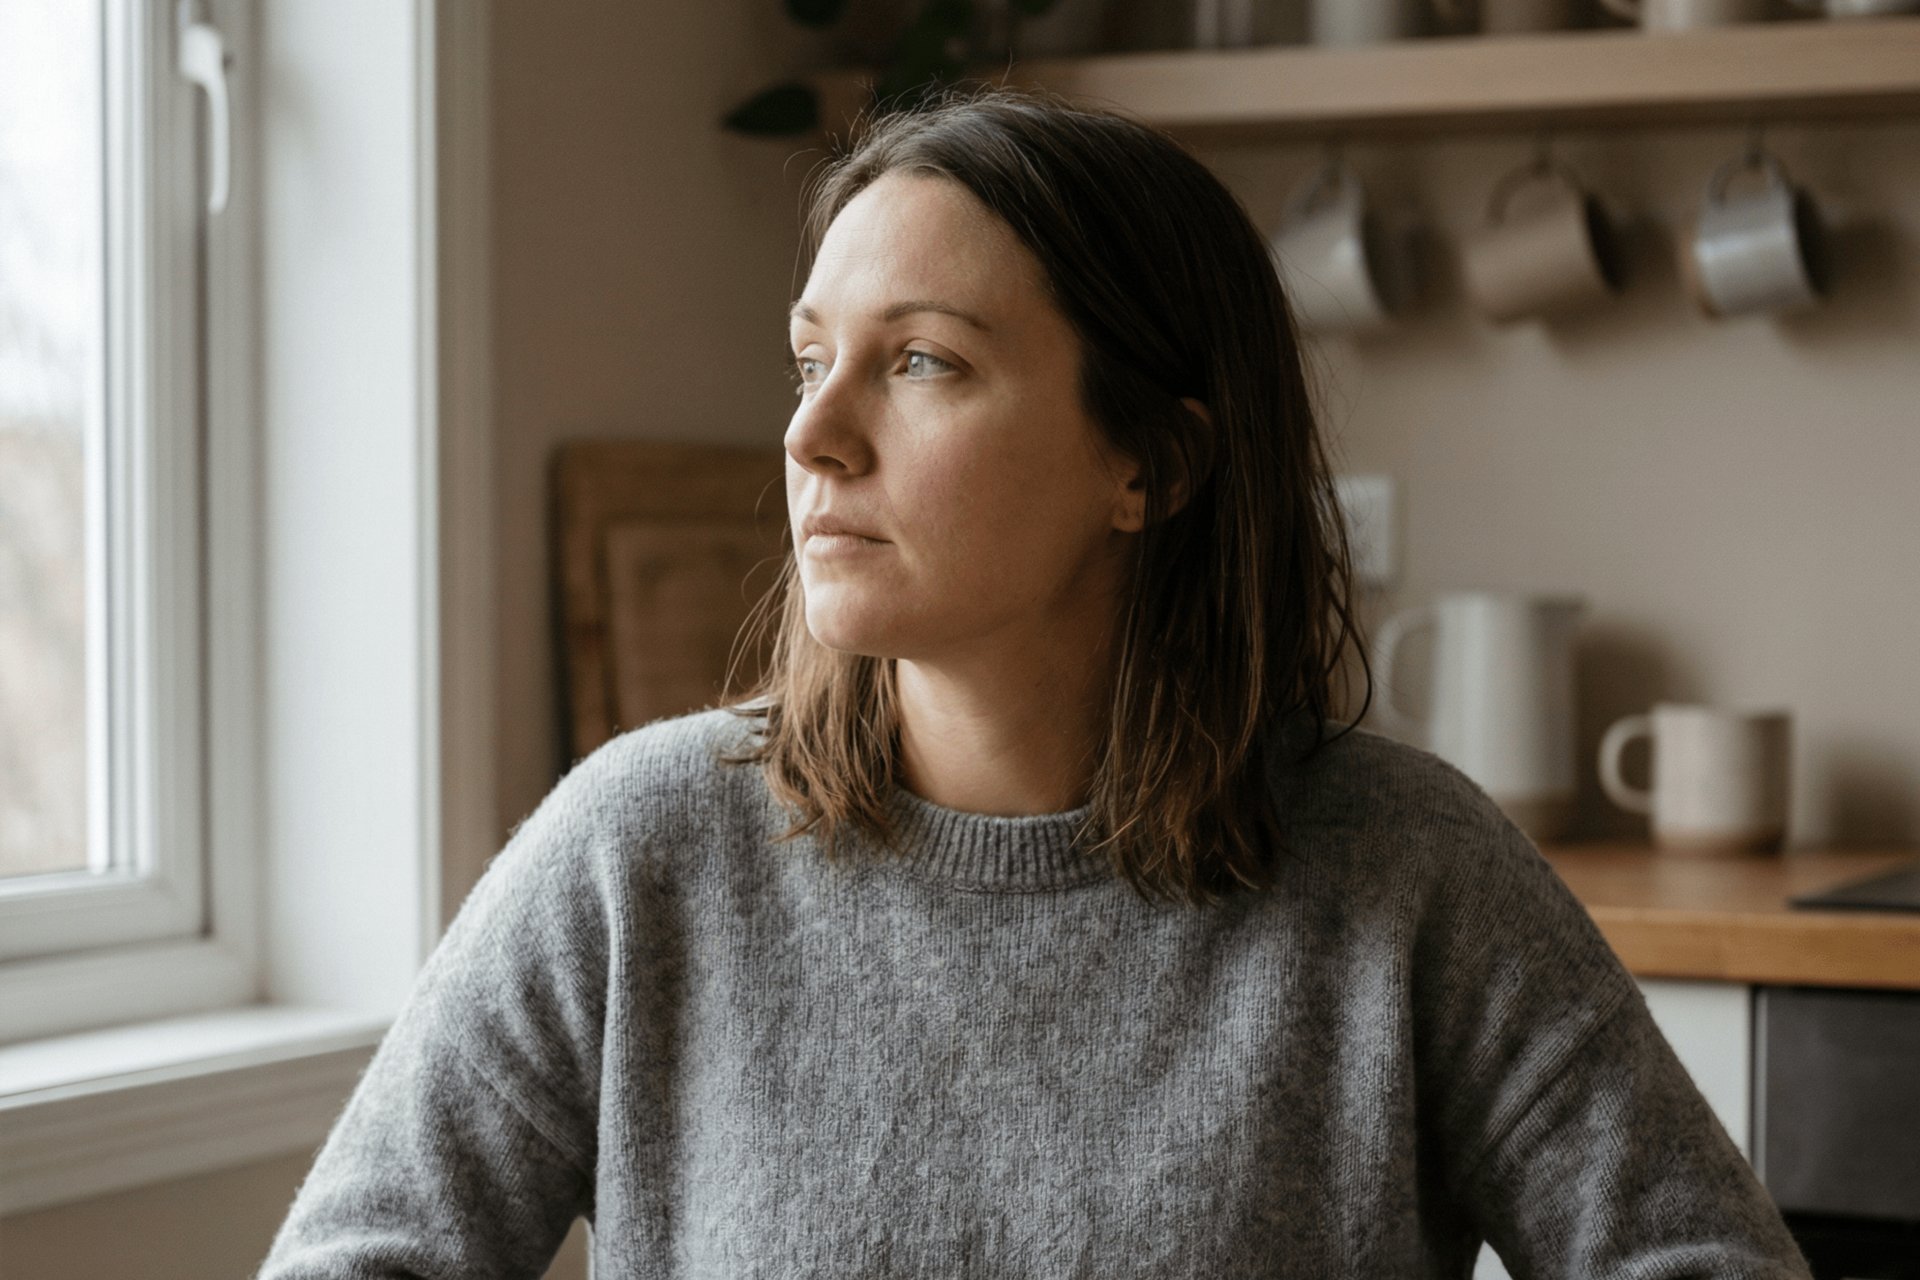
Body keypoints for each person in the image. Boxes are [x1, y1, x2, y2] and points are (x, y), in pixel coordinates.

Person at [261, 93, 1809, 1278]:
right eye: (813, 361)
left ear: (1151, 459)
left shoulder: (1405, 871)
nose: (815, 435)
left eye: (922, 361)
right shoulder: (639, 849)